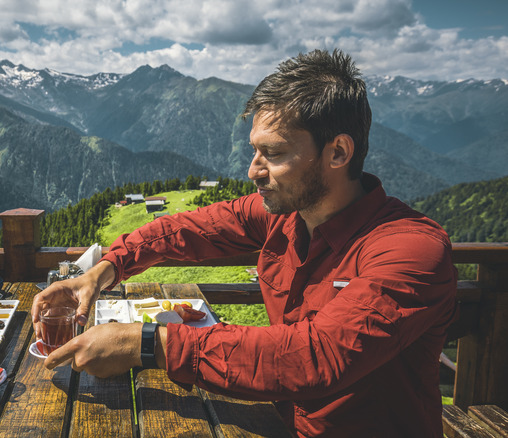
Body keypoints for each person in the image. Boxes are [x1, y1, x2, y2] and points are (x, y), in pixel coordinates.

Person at [31, 49, 457, 437]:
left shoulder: (411, 250)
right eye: (254, 151)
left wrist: (147, 344)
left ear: (339, 153)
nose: (253, 170)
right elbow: (187, 229)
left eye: (272, 154)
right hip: (277, 422)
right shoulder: (286, 215)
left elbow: (314, 356)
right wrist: (105, 270)